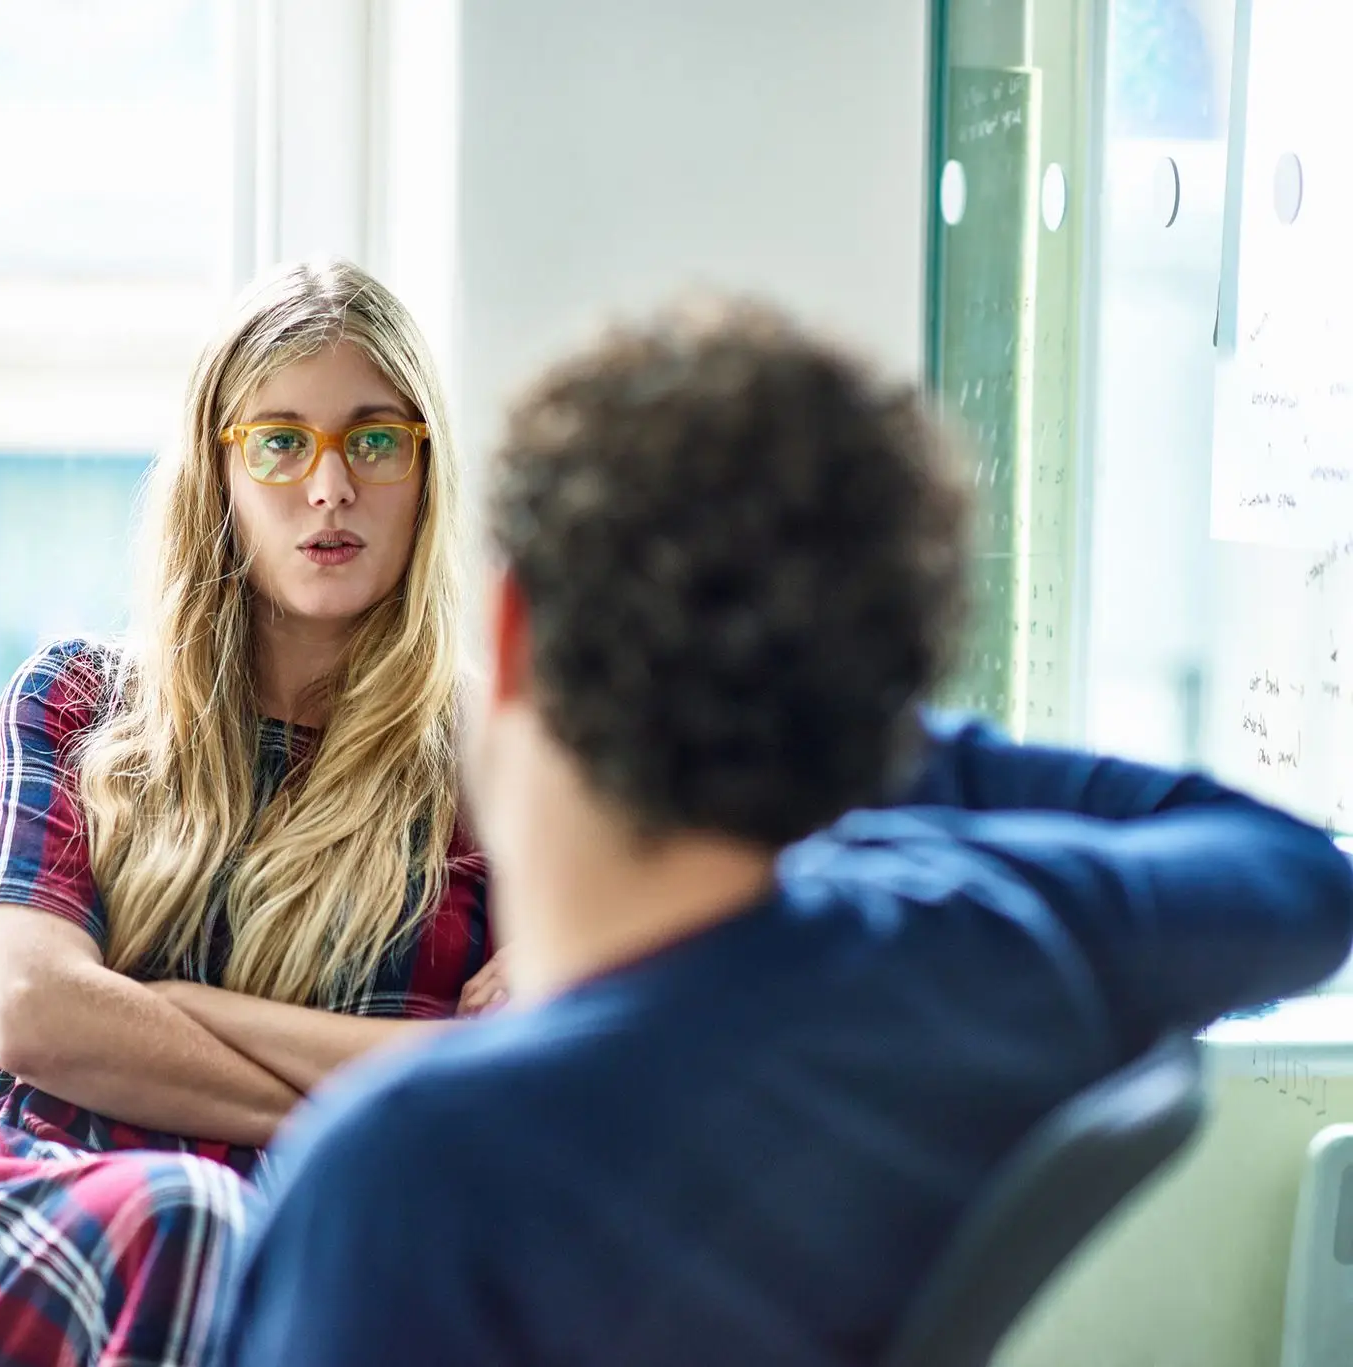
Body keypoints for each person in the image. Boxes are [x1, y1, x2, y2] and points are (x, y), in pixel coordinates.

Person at [215, 299, 1353, 1366]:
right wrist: (842, 717)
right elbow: (1296, 875)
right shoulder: (985, 958)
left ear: (510, 635)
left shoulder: (403, 1177)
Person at [0, 258, 498, 1367]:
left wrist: (169, 1007)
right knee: (195, 1223)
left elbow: (518, 1084)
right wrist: (374, 1091)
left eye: (374, 439)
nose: (329, 488)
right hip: (44, 1211)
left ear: (424, 472)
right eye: (280, 440)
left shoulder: (497, 764)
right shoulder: (73, 701)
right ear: (216, 470)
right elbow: (31, 1009)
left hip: (334, 1257)